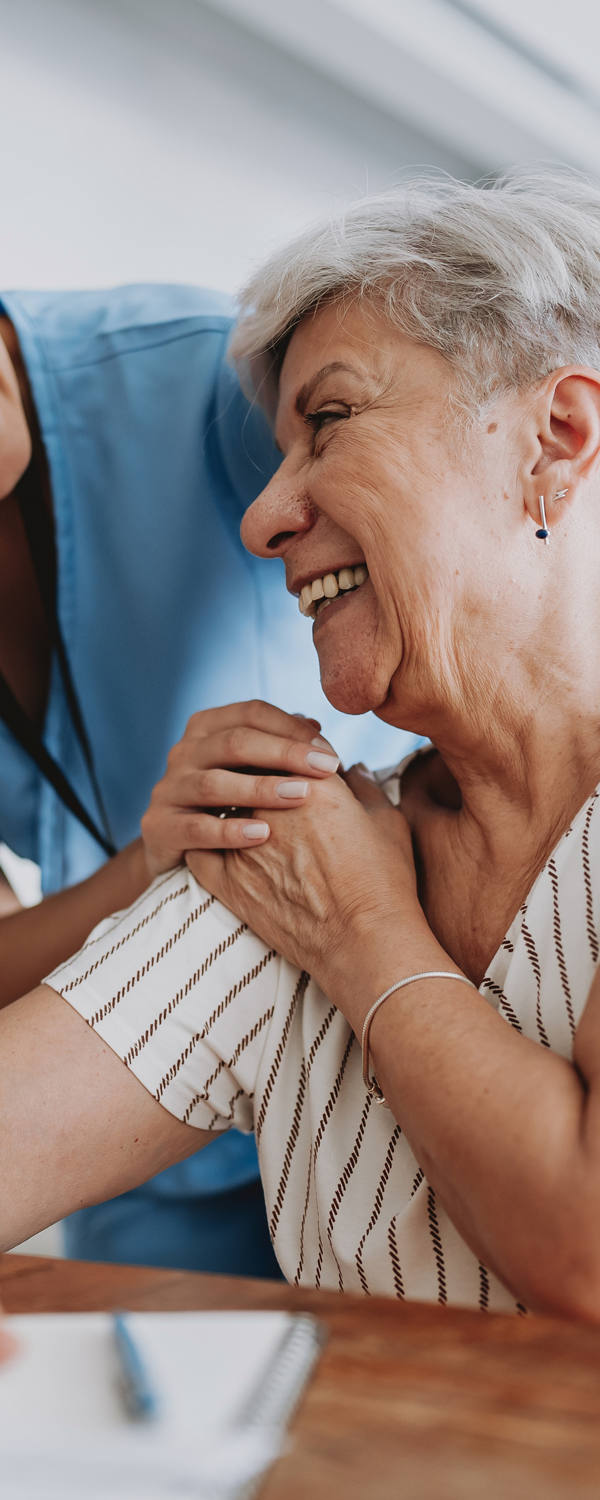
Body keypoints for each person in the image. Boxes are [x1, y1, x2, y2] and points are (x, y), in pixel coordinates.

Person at [3, 166, 600, 1316]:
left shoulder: (328, 885)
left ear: (556, 438)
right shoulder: (297, 847)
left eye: (326, 420)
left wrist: (366, 938)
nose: (262, 516)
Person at [0, 282, 402, 1277]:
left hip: (356, 1061)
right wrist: (141, 869)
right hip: (134, 1130)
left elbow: (439, 470)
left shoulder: (203, 384)